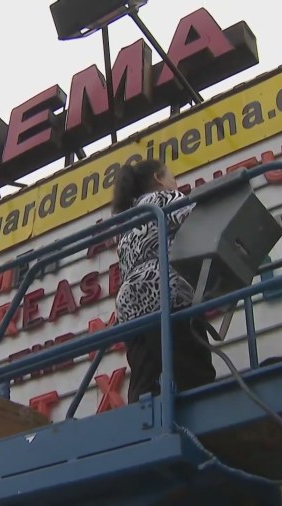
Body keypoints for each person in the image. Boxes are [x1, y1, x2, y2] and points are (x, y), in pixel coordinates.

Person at [112, 159, 216, 404]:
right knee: (192, 367)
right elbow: (201, 220)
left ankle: (142, 419)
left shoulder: (129, 218)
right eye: (171, 176)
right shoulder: (165, 198)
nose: (175, 182)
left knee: (145, 376)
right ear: (159, 179)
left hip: (129, 304)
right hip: (163, 290)